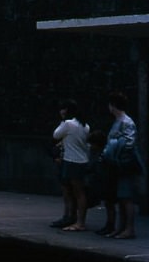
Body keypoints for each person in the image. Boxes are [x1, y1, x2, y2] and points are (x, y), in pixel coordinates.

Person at [99, 91, 141, 239]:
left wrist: (117, 154)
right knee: (121, 197)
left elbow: (129, 143)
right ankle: (121, 228)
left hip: (123, 164)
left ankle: (129, 229)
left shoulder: (126, 122)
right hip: (117, 163)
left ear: (112, 105)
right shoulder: (120, 121)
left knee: (126, 197)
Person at [52, 100, 91, 230]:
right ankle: (75, 219)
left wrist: (63, 121)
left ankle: (78, 222)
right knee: (77, 192)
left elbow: (56, 134)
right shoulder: (85, 126)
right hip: (82, 160)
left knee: (73, 192)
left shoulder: (68, 124)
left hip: (71, 161)